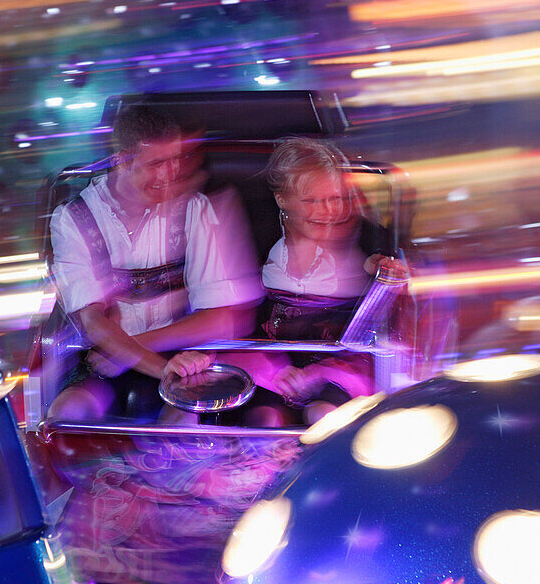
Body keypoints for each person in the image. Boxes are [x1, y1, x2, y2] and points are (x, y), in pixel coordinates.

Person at [166, 137, 407, 426]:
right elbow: (228, 307)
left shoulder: (367, 236)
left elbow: (385, 275)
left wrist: (386, 271)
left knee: (324, 416)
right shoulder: (253, 236)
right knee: (264, 419)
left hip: (339, 362)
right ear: (282, 200)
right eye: (311, 201)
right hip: (267, 362)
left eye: (335, 199)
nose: (328, 212)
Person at [47, 106, 264, 420]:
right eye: (156, 163)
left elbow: (224, 319)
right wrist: (160, 368)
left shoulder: (194, 208)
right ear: (122, 160)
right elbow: (92, 322)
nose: (169, 174)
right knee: (65, 416)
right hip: (100, 360)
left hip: (178, 356)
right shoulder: (74, 218)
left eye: (174, 160)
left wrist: (138, 351)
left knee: (180, 430)